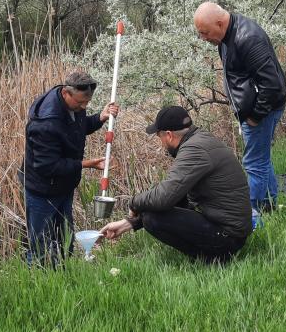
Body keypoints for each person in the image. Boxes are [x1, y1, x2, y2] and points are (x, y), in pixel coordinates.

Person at [100, 106, 252, 264]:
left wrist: (134, 203)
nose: (161, 143)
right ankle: (210, 255)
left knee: (152, 218)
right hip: (232, 230)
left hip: (228, 237)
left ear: (169, 135)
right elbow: (174, 195)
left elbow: (163, 197)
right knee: (163, 204)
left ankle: (212, 258)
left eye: (159, 137)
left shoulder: (194, 150)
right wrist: (129, 223)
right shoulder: (201, 139)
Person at [193, 1, 286, 212]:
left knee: (254, 163)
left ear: (219, 23)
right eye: (200, 33)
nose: (203, 38)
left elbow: (272, 86)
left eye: (205, 32)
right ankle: (269, 206)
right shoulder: (225, 37)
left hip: (263, 110)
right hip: (252, 110)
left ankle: (252, 215)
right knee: (261, 158)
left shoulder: (248, 38)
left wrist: (255, 116)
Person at [19, 71, 119, 266]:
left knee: (65, 239)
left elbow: (78, 127)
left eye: (86, 103)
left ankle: (63, 275)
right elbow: (48, 165)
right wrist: (87, 164)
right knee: (40, 244)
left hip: (64, 186)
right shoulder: (46, 123)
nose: (83, 107)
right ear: (66, 92)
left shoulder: (73, 104)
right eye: (80, 103)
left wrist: (100, 117)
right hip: (42, 190)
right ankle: (35, 280)